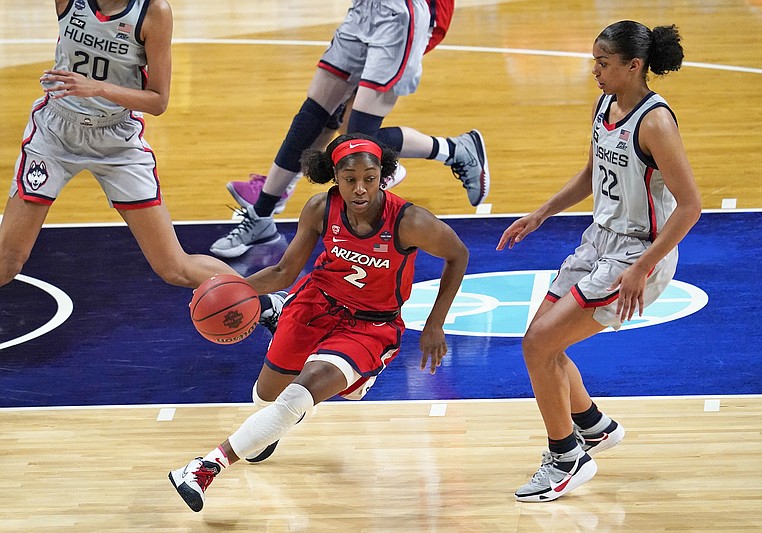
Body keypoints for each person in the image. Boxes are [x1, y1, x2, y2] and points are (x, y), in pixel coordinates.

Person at [169, 134, 469, 512]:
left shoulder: (410, 221)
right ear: (334, 177)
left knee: (299, 395)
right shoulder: (319, 209)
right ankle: (279, 324)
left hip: (370, 325)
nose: (360, 188)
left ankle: (203, 467)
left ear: (383, 176)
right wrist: (234, 291)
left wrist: (434, 324)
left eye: (370, 178)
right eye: (349, 179)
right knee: (265, 398)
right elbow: (283, 270)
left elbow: (458, 255)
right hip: (315, 304)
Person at [496, 20, 701, 502]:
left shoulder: (655, 122)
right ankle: (593, 425)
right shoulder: (606, 105)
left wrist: (642, 267)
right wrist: (542, 211)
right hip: (600, 242)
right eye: (595, 61)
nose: (595, 71)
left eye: (603, 63)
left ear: (634, 66)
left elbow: (690, 205)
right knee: (541, 339)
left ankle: (566, 457)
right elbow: (594, 173)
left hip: (639, 252)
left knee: (538, 346)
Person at [209, 0, 489, 259]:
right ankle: (260, 216)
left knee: (356, 141)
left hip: (398, 15)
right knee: (312, 117)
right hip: (364, 9)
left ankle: (454, 151)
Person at [0, 0, 237, 289]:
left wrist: (98, 88)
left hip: (117, 140)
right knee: (7, 260)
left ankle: (267, 304)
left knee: (174, 267)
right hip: (55, 133)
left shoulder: (154, 12)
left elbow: (158, 100)